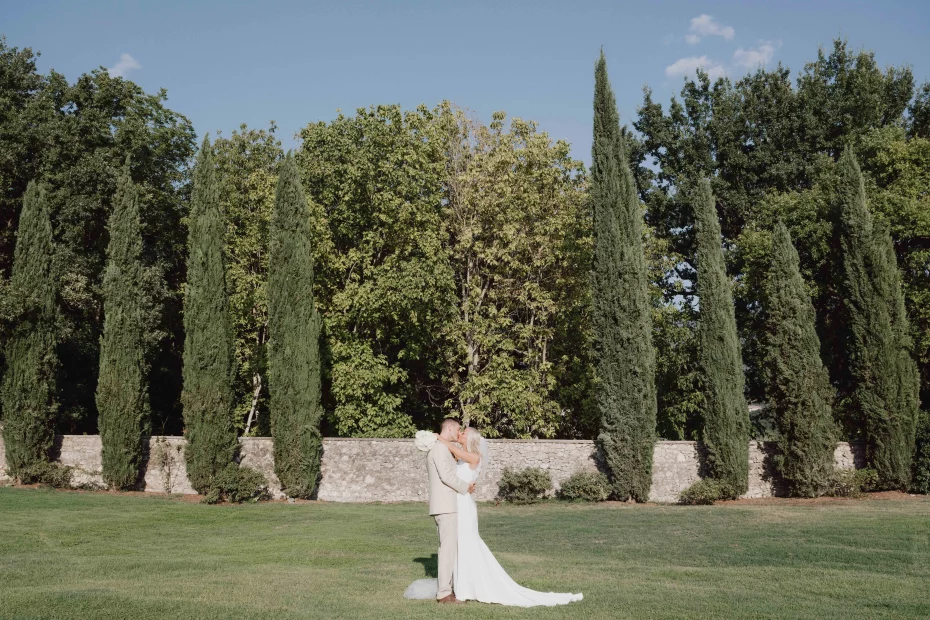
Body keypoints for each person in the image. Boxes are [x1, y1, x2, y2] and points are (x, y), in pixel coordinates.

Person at [436, 426, 583, 607]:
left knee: (466, 544)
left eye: (464, 432)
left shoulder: (474, 457)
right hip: (456, 504)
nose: (460, 434)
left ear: (471, 438)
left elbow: (453, 449)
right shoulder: (459, 456)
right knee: (459, 546)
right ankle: (462, 586)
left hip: (465, 507)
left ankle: (466, 589)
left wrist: (439, 438)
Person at [425, 418, 475, 604]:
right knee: (447, 550)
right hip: (445, 506)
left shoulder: (443, 448)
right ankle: (444, 593)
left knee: (450, 548)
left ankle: (449, 589)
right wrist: (466, 487)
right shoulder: (439, 449)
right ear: (450, 428)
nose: (458, 433)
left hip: (448, 505)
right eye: (457, 429)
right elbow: (446, 476)